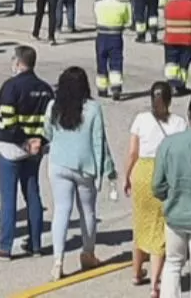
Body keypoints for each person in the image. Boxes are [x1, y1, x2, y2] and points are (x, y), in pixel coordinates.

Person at [43, 67, 117, 280]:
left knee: (61, 211)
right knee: (87, 211)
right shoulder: (93, 109)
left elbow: (47, 132)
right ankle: (88, 253)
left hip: (58, 164)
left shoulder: (53, 107)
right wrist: (108, 170)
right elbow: (99, 142)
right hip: (85, 166)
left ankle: (58, 261)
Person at [0, 45, 53, 261]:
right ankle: (36, 244)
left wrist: (23, 142)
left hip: (12, 148)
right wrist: (38, 142)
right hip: (36, 149)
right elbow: (49, 122)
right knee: (33, 194)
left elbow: (8, 121)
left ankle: (4, 246)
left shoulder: (10, 87)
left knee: (8, 198)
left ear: (19, 62)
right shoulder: (46, 89)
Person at [125, 82, 187, 293]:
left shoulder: (140, 119)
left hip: (142, 171)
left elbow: (133, 152)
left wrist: (127, 176)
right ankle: (155, 283)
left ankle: (136, 272)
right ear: (170, 100)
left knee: (141, 222)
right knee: (160, 228)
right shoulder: (179, 123)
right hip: (165, 172)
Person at [153, 88, 191, 298]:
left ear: (190, 115)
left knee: (173, 264)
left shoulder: (169, 144)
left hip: (175, 215)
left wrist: (168, 197)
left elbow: (157, 185)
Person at [93, 0, 130, 100]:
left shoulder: (97, 4)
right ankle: (116, 87)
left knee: (101, 61)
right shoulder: (122, 6)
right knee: (116, 61)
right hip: (115, 36)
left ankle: (102, 88)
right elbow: (127, 21)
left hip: (102, 36)